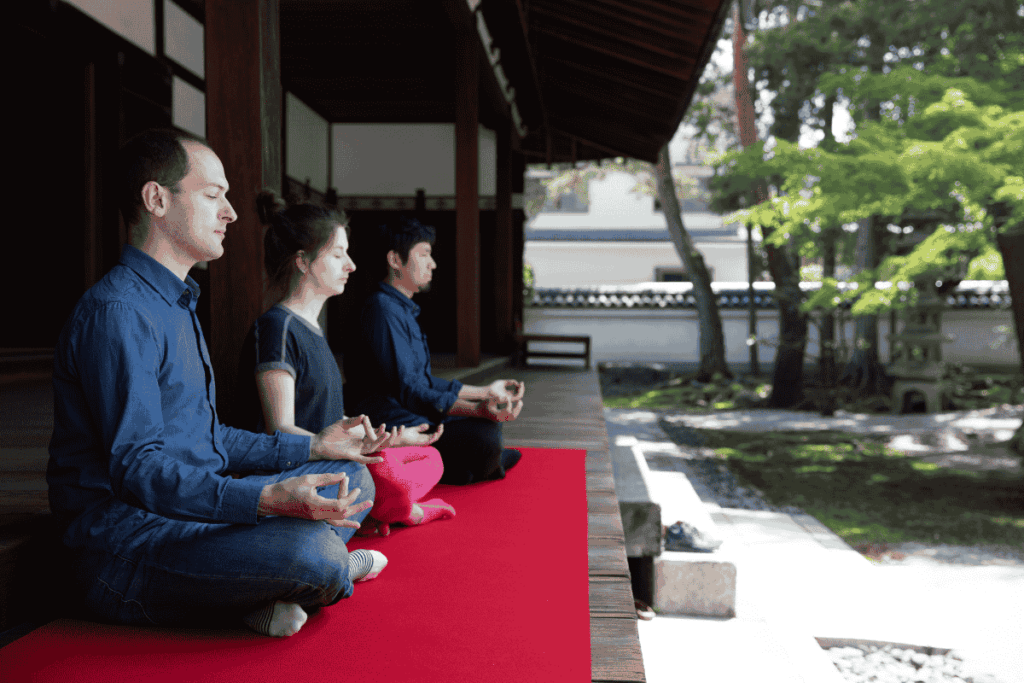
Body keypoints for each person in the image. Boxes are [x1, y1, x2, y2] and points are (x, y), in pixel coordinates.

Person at [47, 129, 394, 639]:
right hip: (128, 546)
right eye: (214, 196)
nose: (230, 213)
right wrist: (266, 500)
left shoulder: (179, 301)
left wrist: (315, 445)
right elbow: (137, 469)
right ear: (156, 199)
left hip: (194, 513)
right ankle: (299, 576)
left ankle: (254, 591)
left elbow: (210, 440)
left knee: (351, 476)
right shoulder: (118, 312)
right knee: (313, 552)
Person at [233, 190, 455, 536]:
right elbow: (279, 428)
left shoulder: (313, 328)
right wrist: (351, 451)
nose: (350, 265)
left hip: (330, 459)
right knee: (379, 477)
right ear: (303, 262)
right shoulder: (278, 327)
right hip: (292, 473)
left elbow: (326, 420)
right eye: (338, 254)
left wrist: (391, 439)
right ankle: (391, 511)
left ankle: (370, 510)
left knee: (427, 457)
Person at [344, 217, 526, 485]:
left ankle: (464, 466)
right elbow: (410, 391)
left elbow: (425, 382)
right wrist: (476, 410)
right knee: (483, 436)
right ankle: (467, 465)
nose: (433, 264)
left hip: (412, 409)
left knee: (486, 430)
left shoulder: (400, 308)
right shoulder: (382, 310)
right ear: (395, 260)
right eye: (424, 254)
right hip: (391, 421)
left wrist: (486, 392)